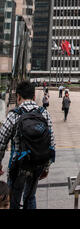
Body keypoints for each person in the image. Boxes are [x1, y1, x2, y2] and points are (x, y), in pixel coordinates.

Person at [0, 81, 55, 209]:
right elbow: (51, 143)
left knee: (13, 197)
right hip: (37, 164)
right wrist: (46, 167)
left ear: (18, 97)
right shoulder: (44, 113)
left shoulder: (14, 115)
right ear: (34, 97)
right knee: (30, 197)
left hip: (18, 166)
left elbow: (2, 142)